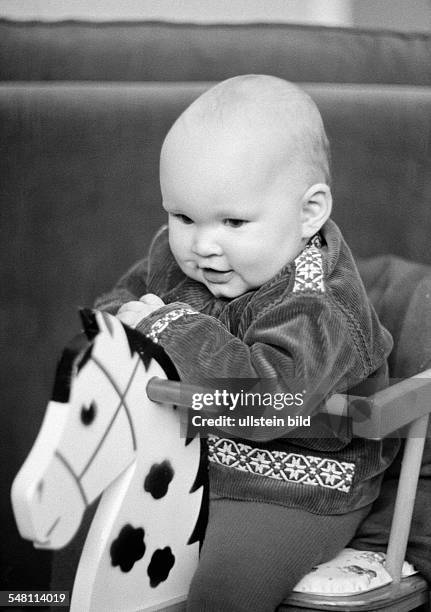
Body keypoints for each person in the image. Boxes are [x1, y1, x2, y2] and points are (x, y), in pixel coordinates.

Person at [95, 75, 399, 611]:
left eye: (233, 221)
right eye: (182, 215)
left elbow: (269, 399)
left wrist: (169, 329)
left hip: (294, 487)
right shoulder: (180, 252)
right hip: (192, 456)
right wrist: (110, 334)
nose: (202, 244)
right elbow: (124, 304)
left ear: (309, 213)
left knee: (224, 588)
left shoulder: (320, 306)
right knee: (94, 543)